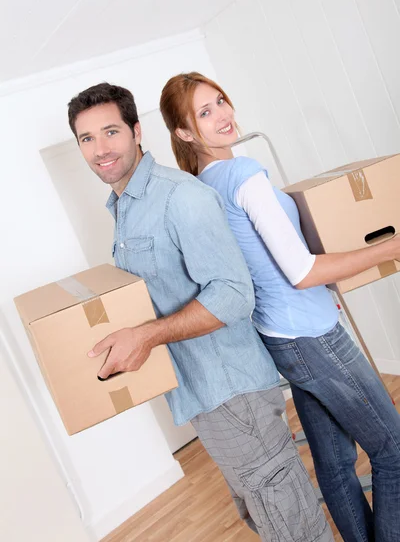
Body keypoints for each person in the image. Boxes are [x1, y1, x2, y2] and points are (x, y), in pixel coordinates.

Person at [67, 82, 333, 542]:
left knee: (292, 524)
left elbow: (233, 295)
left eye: (110, 132)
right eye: (86, 139)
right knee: (266, 516)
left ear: (136, 130)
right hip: (203, 394)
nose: (100, 149)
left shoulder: (179, 197)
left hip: (232, 392)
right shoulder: (126, 205)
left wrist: (147, 336)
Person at [159, 71, 400, 542]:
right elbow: (301, 271)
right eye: (204, 112)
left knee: (334, 464)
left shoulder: (205, 187)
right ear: (184, 132)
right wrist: (388, 248)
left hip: (283, 338)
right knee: (392, 451)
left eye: (221, 101)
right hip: (313, 336)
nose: (223, 115)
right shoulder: (243, 174)